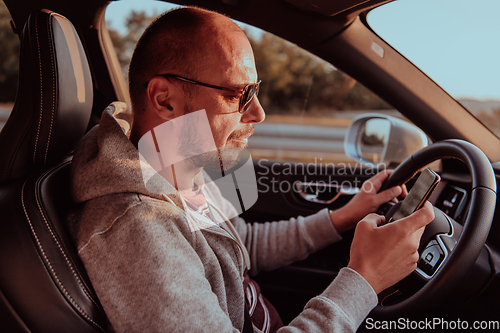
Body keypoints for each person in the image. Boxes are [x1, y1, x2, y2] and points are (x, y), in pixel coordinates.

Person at [68, 6, 434, 333]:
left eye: (255, 91)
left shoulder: (173, 171)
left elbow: (244, 247)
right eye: (237, 95)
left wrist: (344, 216)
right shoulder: (137, 232)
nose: (258, 113)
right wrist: (364, 280)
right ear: (165, 99)